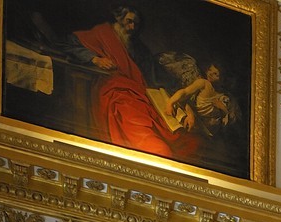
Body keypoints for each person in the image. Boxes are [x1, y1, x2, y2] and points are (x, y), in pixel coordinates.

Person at [68, 5, 202, 160]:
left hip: (143, 95)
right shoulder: (102, 33)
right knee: (159, 149)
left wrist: (186, 108)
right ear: (118, 19)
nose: (132, 27)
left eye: (136, 24)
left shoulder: (139, 48)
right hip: (116, 92)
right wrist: (95, 59)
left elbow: (158, 80)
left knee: (189, 143)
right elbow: (69, 44)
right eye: (129, 21)